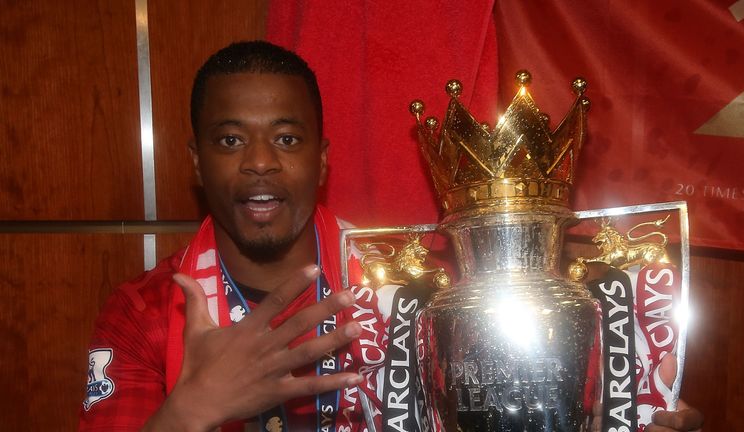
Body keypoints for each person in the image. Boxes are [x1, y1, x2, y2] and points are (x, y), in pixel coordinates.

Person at [80, 40, 704, 432]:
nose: (261, 162)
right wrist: (189, 413)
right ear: (195, 162)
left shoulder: (418, 292)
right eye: (231, 139)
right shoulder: (143, 313)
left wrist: (624, 411)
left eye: (288, 138)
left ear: (322, 161)